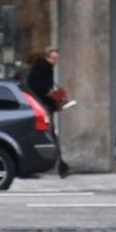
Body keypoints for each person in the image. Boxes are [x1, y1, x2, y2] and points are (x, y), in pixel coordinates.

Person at [24, 46, 70, 178]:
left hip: (41, 105)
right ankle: (61, 166)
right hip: (43, 106)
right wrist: (51, 94)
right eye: (53, 58)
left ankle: (61, 165)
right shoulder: (45, 67)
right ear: (47, 57)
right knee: (49, 134)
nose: (55, 61)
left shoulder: (40, 67)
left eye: (56, 59)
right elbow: (42, 86)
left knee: (47, 134)